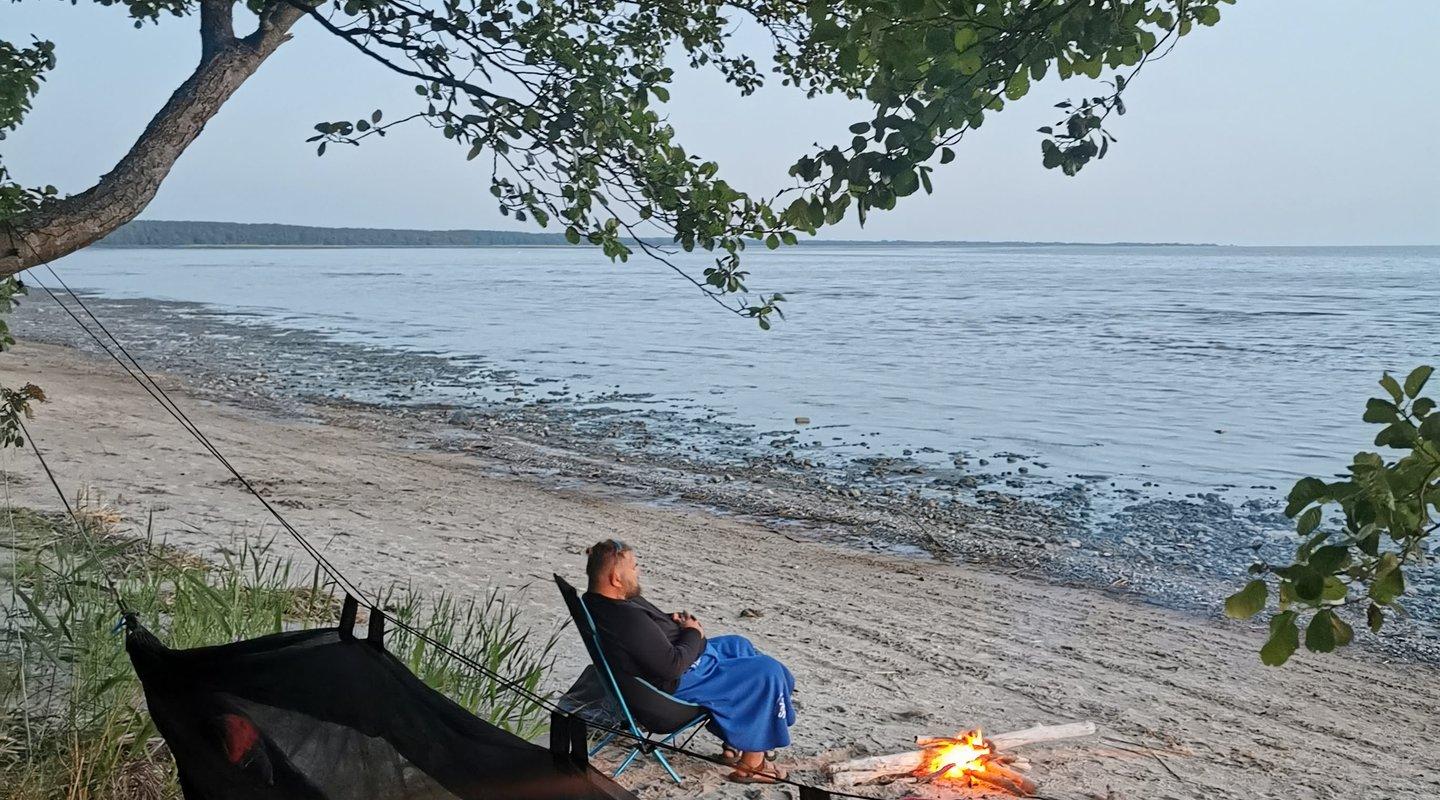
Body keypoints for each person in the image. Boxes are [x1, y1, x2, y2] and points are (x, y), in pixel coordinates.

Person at [581, 539, 795, 783]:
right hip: (673, 688)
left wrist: (667, 622)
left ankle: (735, 742)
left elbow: (645, 634)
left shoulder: (600, 601)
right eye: (634, 566)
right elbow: (671, 666)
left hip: (680, 665)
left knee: (739, 644)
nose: (638, 571)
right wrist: (692, 632)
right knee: (768, 672)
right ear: (615, 579)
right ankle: (753, 765)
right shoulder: (624, 618)